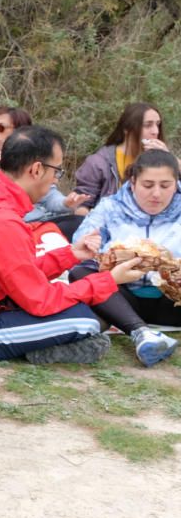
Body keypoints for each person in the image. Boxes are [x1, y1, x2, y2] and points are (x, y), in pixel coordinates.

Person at [0, 125, 145, 363]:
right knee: (84, 320)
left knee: (79, 310)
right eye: (57, 171)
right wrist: (109, 280)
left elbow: (18, 271)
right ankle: (41, 351)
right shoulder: (2, 221)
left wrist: (71, 254)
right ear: (37, 169)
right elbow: (39, 300)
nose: (56, 179)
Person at [68, 149, 180, 367]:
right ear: (133, 181)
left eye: (165, 186)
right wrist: (93, 244)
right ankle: (141, 333)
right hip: (124, 298)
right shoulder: (112, 207)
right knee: (80, 273)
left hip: (173, 302)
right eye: (148, 185)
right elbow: (81, 242)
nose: (156, 193)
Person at [0, 106, 90, 239]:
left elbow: (49, 196)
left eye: (1, 128)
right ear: (36, 169)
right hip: (11, 225)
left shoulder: (33, 157)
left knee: (81, 223)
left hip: (41, 219)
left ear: (20, 133)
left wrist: (66, 203)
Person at [74, 102, 169, 210]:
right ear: (126, 129)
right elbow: (82, 205)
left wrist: (169, 160)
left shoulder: (161, 160)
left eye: (158, 124)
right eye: (148, 125)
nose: (155, 131)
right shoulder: (99, 163)